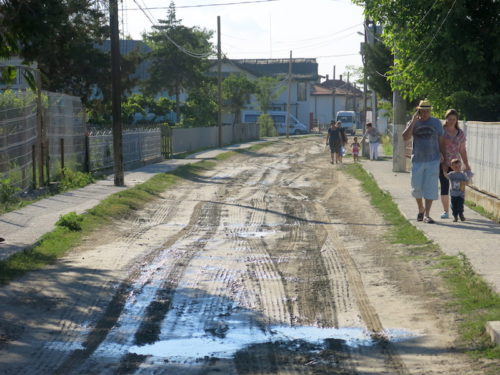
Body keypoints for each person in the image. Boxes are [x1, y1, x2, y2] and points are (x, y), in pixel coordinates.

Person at [402, 99, 444, 224]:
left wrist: (444, 155)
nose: (425, 113)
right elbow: (405, 137)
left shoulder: (436, 122)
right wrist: (414, 121)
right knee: (416, 187)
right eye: (422, 111)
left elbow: (441, 140)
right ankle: (421, 208)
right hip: (418, 160)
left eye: (427, 111)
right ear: (418, 111)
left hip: (433, 160)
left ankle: (427, 214)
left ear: (430, 111)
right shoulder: (413, 122)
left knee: (430, 187)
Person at [438, 109, 471, 219]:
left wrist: (466, 164)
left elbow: (462, 150)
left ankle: (459, 210)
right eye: (449, 119)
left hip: (456, 165)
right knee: (444, 185)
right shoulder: (441, 131)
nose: (451, 121)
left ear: (457, 120)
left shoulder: (460, 133)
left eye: (454, 119)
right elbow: (436, 146)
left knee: (459, 188)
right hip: (443, 163)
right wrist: (442, 161)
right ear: (446, 118)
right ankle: (446, 211)